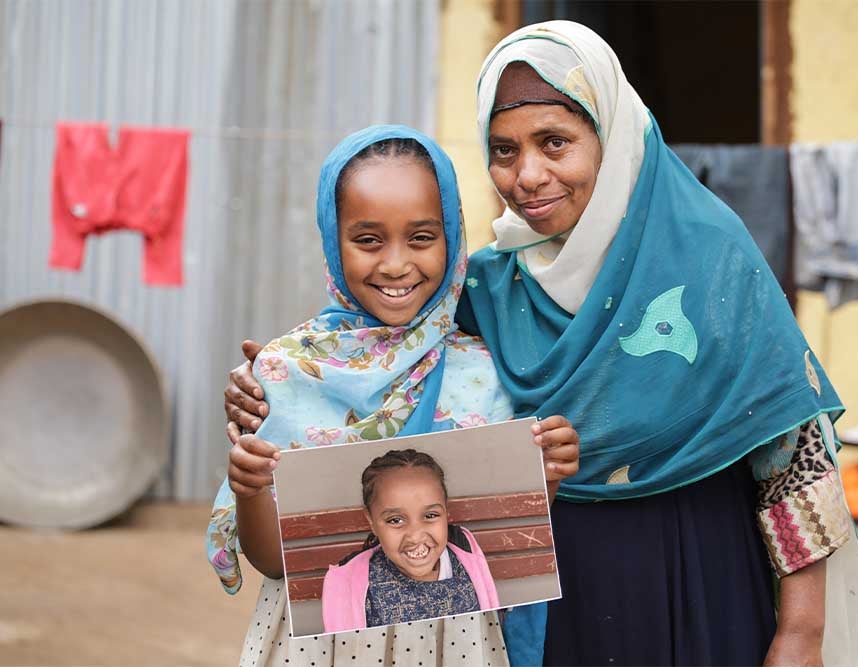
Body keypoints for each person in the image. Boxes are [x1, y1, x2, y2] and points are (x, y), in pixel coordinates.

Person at [226, 22, 858, 667]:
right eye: (503, 150)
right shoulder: (487, 287)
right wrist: (278, 384)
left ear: (611, 136)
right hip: (547, 606)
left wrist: (801, 632)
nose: (529, 175)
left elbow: (793, 456)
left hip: (700, 576)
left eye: (555, 142)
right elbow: (397, 360)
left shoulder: (711, 257)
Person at [208, 125, 579, 667]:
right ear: (333, 242)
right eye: (368, 239)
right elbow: (274, 561)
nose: (396, 264)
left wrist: (542, 478)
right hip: (322, 645)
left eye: (422, 237)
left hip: (450, 642)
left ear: (452, 235)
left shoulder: (484, 372)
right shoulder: (290, 372)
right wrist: (248, 489)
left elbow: (494, 546)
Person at [322, 449, 499, 633]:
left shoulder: (466, 555)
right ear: (371, 521)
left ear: (446, 512)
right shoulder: (347, 585)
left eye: (430, 515)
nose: (415, 536)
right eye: (395, 520)